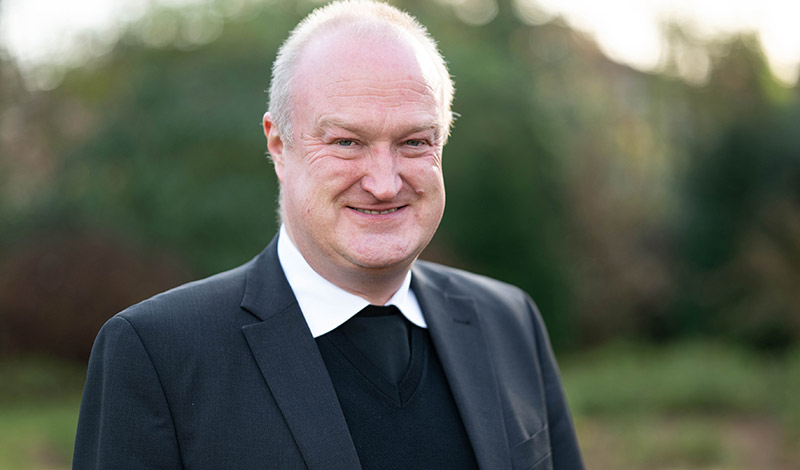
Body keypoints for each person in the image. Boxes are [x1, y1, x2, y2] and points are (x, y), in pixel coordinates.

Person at [72, 1, 584, 469]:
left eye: (413, 142)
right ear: (279, 145)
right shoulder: (158, 355)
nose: (384, 184)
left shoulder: (509, 321)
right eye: (346, 142)